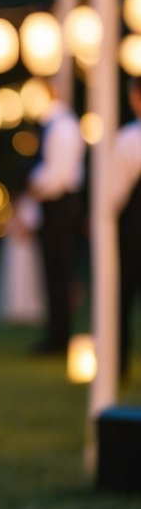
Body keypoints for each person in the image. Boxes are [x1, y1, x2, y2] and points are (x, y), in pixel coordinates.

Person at [27, 79, 85, 353]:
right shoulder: (54, 125)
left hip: (60, 205)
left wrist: (35, 186)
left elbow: (58, 174)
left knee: (59, 272)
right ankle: (55, 334)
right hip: (56, 205)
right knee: (53, 272)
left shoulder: (61, 126)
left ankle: (59, 338)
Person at [113, 76, 141, 382]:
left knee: (123, 297)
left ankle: (119, 363)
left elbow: (114, 193)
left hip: (134, 230)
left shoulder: (130, 139)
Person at [0, 192, 46, 326]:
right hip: (14, 250)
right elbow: (1, 226)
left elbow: (32, 228)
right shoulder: (9, 207)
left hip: (26, 250)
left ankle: (28, 310)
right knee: (14, 278)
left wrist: (23, 229)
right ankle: (14, 310)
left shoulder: (31, 205)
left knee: (28, 278)